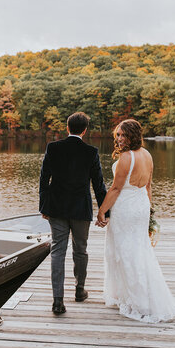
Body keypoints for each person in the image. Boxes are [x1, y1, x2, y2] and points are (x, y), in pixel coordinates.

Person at [96, 119, 175, 323]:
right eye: (118, 135)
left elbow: (115, 189)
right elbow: (148, 186)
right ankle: (130, 294)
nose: (120, 138)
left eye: (124, 135)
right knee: (138, 250)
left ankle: (138, 301)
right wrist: (148, 210)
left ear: (133, 135)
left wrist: (101, 211)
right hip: (140, 205)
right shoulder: (147, 155)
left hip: (126, 207)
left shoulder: (127, 157)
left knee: (126, 253)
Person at [39, 112, 108, 315]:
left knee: (58, 251)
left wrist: (44, 207)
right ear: (85, 130)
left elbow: (44, 180)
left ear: (67, 127)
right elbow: (98, 184)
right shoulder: (91, 152)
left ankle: (57, 301)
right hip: (80, 210)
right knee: (81, 250)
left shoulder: (53, 147)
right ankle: (79, 291)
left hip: (57, 209)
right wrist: (104, 211)